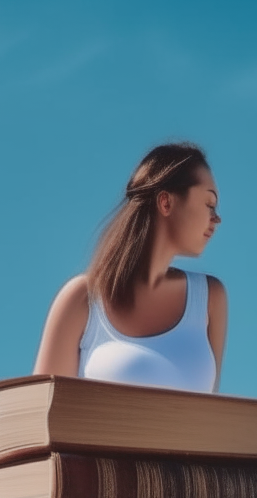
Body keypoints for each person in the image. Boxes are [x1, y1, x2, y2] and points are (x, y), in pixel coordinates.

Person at [34, 142, 226, 393]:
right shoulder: (82, 297)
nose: (217, 218)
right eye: (209, 204)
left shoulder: (210, 298)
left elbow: (211, 415)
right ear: (166, 202)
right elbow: (38, 416)